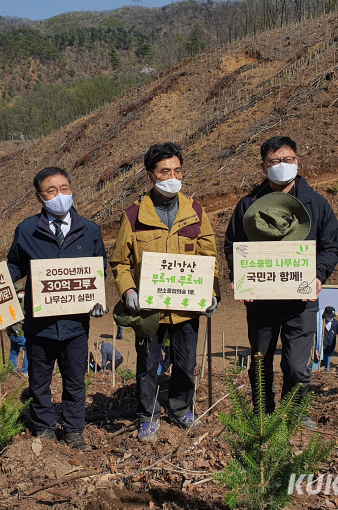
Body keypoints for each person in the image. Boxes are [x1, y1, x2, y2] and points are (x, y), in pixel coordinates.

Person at [224, 136, 338, 430]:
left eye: (287, 159)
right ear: (264, 167)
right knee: (260, 362)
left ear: (297, 161)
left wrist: (318, 275)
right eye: (274, 162)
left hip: (301, 301)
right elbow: (232, 245)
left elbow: (331, 246)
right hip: (261, 300)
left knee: (296, 366)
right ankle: (262, 412)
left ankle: (295, 411)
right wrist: (240, 276)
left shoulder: (316, 204)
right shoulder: (248, 205)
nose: (281, 166)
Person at [110, 142, 220, 442]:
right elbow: (120, 261)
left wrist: (211, 292)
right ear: (150, 177)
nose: (173, 176)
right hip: (149, 309)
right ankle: (147, 415)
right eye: (165, 171)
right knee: (148, 365)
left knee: (186, 362)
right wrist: (128, 290)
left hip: (186, 305)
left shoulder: (195, 211)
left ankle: (181, 407)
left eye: (177, 170)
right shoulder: (133, 215)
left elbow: (208, 257)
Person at [7, 167, 107, 451]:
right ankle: (45, 427)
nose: (60, 195)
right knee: (40, 379)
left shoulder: (89, 229)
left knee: (75, 380)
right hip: (40, 323)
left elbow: (100, 267)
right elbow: (15, 264)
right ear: (40, 197)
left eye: (64, 188)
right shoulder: (27, 229)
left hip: (75, 323)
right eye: (51, 191)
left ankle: (75, 430)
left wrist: (97, 298)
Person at [315, 306, 338, 371]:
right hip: (319, 349)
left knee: (326, 367)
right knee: (314, 367)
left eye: (332, 317)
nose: (331, 318)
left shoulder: (335, 323)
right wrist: (315, 348)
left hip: (329, 349)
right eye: (329, 316)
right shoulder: (319, 323)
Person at [7, 283, 28, 376]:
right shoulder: (13, 305)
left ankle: (12, 370)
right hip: (17, 333)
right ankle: (25, 371)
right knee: (28, 349)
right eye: (21, 291)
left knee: (14, 351)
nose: (23, 293)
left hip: (13, 333)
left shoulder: (18, 302)